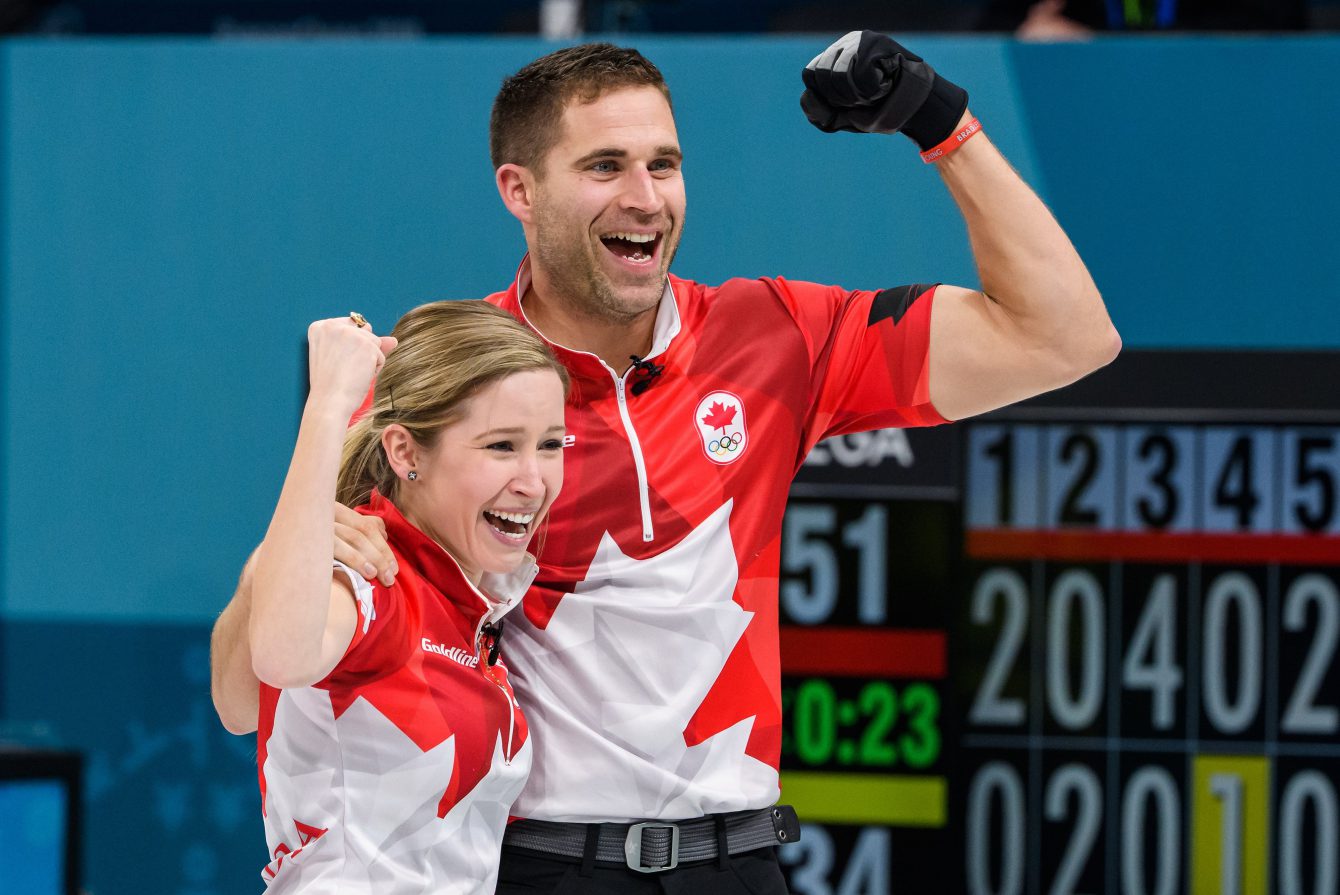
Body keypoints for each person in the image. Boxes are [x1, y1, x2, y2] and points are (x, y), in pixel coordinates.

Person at [212, 32, 1120, 892]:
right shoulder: (449, 386)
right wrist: (273, 562)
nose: (646, 196)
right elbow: (267, 674)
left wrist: (940, 122)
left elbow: (1065, 337)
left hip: (744, 857)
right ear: (519, 190)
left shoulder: (777, 336)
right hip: (538, 865)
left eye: (665, 163)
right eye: (605, 166)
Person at [225, 301, 568, 893]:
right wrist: (329, 404)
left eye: (552, 444)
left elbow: (238, 707)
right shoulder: (369, 578)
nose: (533, 480)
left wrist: (268, 562)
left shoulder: (466, 605)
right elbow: (277, 659)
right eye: (501, 446)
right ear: (406, 452)